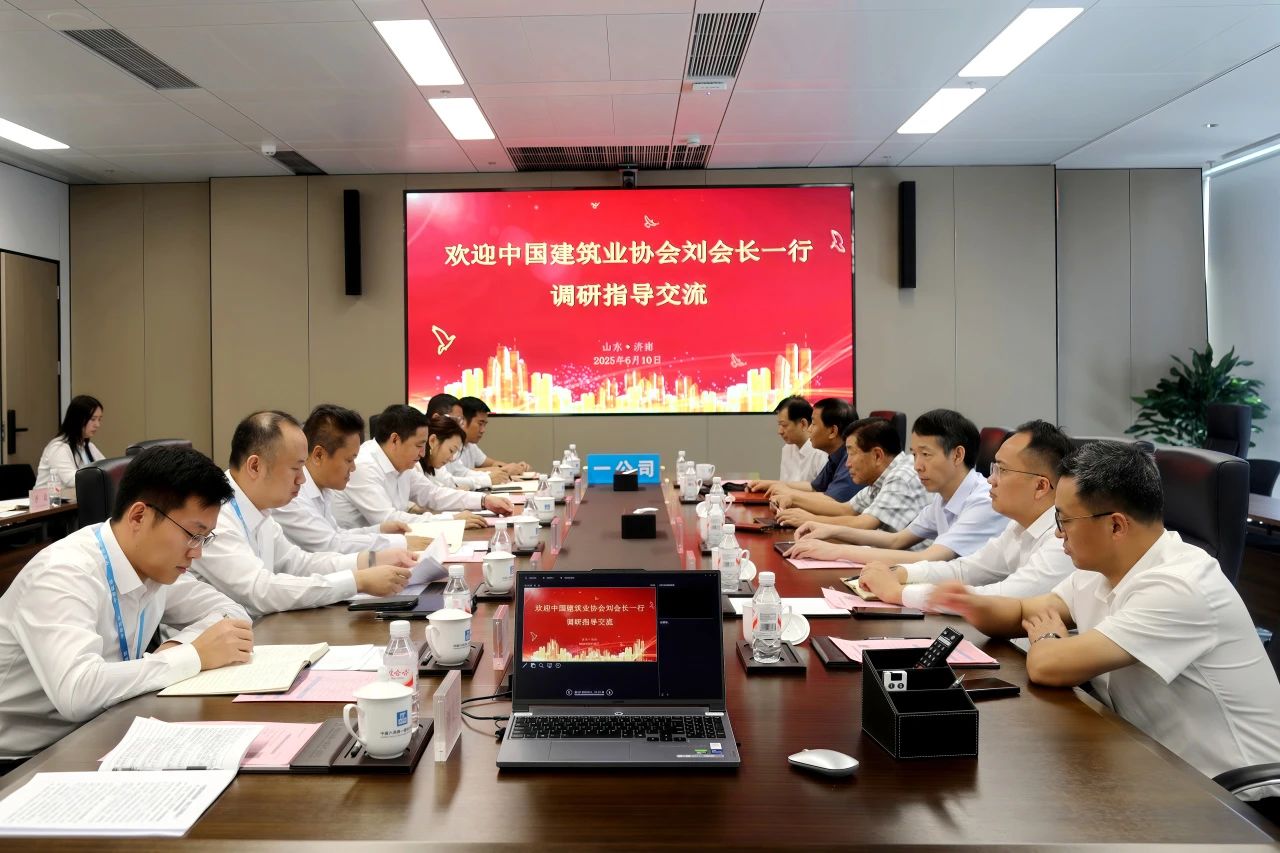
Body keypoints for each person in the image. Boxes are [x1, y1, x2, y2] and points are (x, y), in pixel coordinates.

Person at [933, 441, 1280, 806]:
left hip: (1240, 799)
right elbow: (1024, 611)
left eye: (1064, 520)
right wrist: (971, 604)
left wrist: (1048, 637)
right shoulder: (1099, 569)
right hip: (1158, 766)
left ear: (1116, 525)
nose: (1058, 534)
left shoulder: (1180, 585)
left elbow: (1048, 664)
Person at [0, 445, 253, 761]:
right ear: (138, 516)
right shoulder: (63, 573)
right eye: (193, 534)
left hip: (99, 732)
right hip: (22, 760)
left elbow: (232, 613)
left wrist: (177, 646)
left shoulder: (154, 566)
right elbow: (78, 691)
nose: (197, 552)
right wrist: (193, 655)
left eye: (204, 538)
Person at [189, 411, 412, 619]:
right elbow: (260, 590)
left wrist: (371, 560)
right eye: (295, 469)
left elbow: (298, 563)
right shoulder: (216, 516)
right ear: (255, 466)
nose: (302, 479)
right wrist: (356, 581)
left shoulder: (259, 508)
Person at [858, 420, 1075, 609]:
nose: (991, 479)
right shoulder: (1018, 526)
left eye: (1002, 470)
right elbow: (966, 570)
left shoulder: (1065, 539)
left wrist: (899, 593)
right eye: (994, 468)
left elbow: (1004, 596)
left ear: (1041, 486)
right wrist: (903, 573)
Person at [787, 408, 1005, 565]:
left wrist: (836, 551)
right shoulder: (943, 497)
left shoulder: (983, 501)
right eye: (915, 454)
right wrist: (830, 530)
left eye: (926, 454)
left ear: (957, 455)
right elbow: (896, 540)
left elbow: (927, 558)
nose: (917, 465)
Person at [274, 404, 428, 557]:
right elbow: (330, 545)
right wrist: (397, 542)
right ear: (319, 455)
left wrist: (380, 530)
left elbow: (336, 534)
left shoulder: (322, 488)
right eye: (349, 460)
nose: (354, 468)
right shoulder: (293, 495)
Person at [331, 404, 514, 530]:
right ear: (395, 440)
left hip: (388, 546)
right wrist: (451, 520)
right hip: (358, 555)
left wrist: (484, 500)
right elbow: (389, 521)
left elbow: (432, 494)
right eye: (419, 445)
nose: (422, 453)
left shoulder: (401, 464)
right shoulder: (364, 465)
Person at [777, 416, 927, 533]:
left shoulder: (901, 476)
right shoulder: (881, 478)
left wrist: (810, 520)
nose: (847, 463)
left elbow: (864, 524)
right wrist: (793, 500)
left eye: (852, 453)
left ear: (877, 455)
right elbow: (847, 509)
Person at [746, 398, 859, 511]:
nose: (809, 429)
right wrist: (773, 485)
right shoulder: (835, 457)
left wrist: (790, 496)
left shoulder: (851, 459)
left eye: (813, 424)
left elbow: (834, 501)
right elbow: (815, 487)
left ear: (832, 431)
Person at [33, 394, 104, 492]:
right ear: (78, 419)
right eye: (93, 419)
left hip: (74, 499)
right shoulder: (58, 447)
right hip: (49, 501)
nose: (97, 425)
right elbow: (71, 480)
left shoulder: (89, 446)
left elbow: (106, 468)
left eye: (99, 419)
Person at [459, 396, 530, 478]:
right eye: (480, 424)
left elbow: (492, 464)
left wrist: (515, 467)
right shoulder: (452, 445)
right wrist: (504, 469)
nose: (483, 430)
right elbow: (460, 473)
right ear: (462, 421)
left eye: (484, 425)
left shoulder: (470, 445)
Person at [773, 396, 827, 482]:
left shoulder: (820, 453)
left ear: (803, 424)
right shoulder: (787, 449)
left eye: (784, 425)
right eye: (779, 425)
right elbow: (783, 485)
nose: (780, 431)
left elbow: (822, 489)